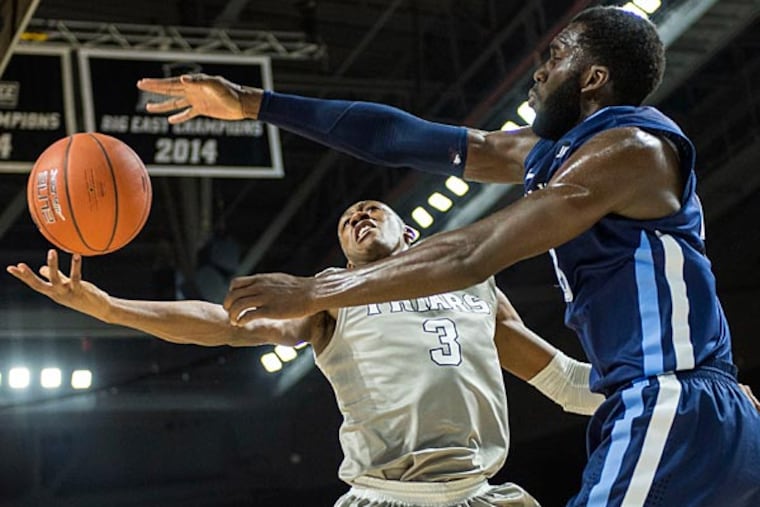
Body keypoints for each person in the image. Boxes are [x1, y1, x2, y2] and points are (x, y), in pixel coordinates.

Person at [136, 5, 760, 506]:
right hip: (674, 403)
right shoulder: (552, 151)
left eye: (556, 56)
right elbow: (398, 137)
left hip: (669, 404)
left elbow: (472, 251)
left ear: (593, 77)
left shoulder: (629, 148)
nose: (540, 71)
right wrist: (253, 103)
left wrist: (317, 290)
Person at [8, 200, 604, 507]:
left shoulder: (473, 285)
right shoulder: (329, 294)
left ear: (411, 235)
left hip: (478, 492)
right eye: (347, 220)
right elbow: (224, 324)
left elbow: (566, 383)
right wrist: (111, 308)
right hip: (386, 496)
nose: (359, 217)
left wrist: (672, 385)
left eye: (372, 210)